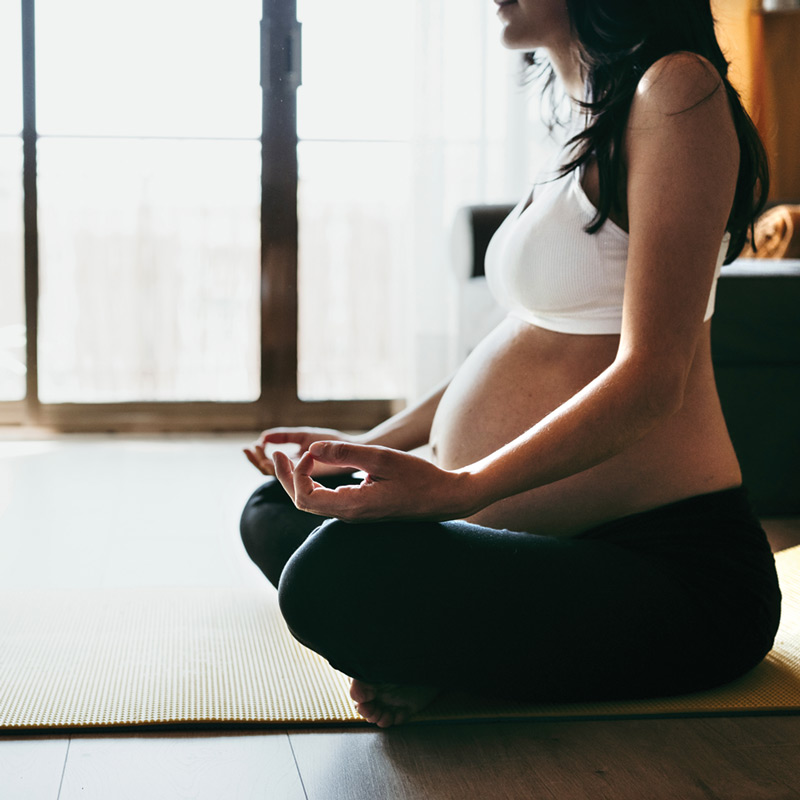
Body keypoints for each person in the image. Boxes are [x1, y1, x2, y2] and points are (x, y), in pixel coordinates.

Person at [240, 0, 782, 728]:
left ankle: (441, 651)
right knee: (279, 506)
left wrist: (460, 489)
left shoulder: (677, 91)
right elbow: (517, 344)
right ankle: (450, 650)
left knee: (329, 576)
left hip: (673, 569)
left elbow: (652, 378)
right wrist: (370, 448)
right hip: (543, 542)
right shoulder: (584, 123)